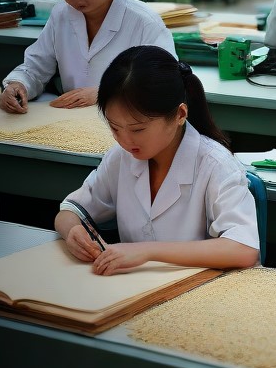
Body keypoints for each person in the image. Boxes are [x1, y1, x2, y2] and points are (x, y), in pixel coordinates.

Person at [54, 46, 259, 275]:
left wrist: (147, 252)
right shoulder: (121, 158)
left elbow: (244, 248)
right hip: (133, 289)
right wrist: (72, 230)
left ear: (180, 115)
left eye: (138, 129)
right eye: (114, 127)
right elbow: (71, 209)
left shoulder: (215, 165)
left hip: (200, 293)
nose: (125, 140)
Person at [0, 0, 175, 114]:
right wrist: (19, 84)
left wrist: (105, 94)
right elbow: (36, 67)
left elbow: (165, 83)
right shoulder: (61, 15)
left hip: (126, 128)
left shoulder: (144, 22)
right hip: (71, 123)